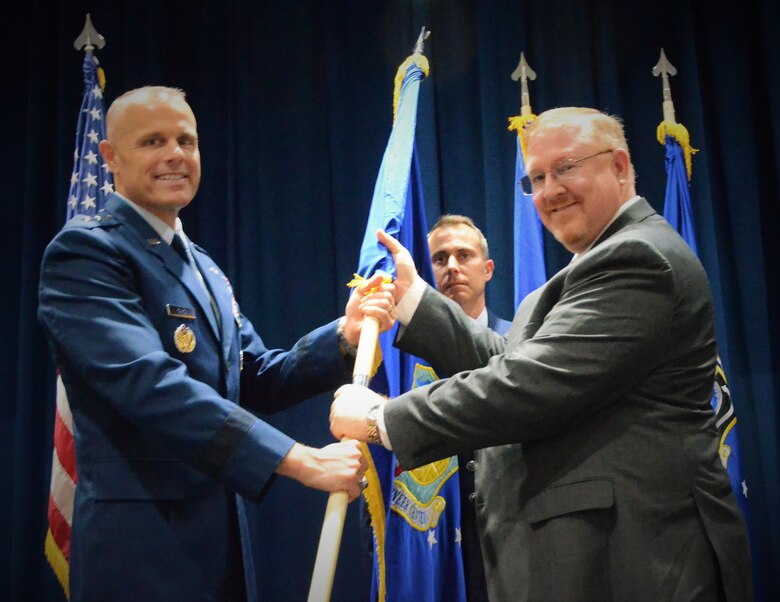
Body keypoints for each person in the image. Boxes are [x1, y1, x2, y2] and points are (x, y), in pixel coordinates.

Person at [330, 107, 753, 601]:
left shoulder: (640, 257)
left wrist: (383, 418)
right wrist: (412, 300)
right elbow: (510, 362)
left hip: (639, 563)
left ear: (619, 166)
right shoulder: (588, 269)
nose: (550, 191)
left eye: (566, 168)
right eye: (536, 178)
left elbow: (528, 385)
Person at [38, 86, 394, 602]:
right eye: (153, 141)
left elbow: (252, 377)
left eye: (187, 140)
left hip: (220, 548)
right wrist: (297, 459)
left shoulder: (201, 264)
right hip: (141, 555)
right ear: (109, 157)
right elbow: (150, 385)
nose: (175, 155)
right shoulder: (85, 252)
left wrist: (344, 334)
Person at [427, 214, 510, 601]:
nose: (452, 267)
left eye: (464, 255)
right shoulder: (410, 360)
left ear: (488, 269)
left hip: (511, 532)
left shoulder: (522, 341)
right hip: (435, 541)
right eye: (440, 259)